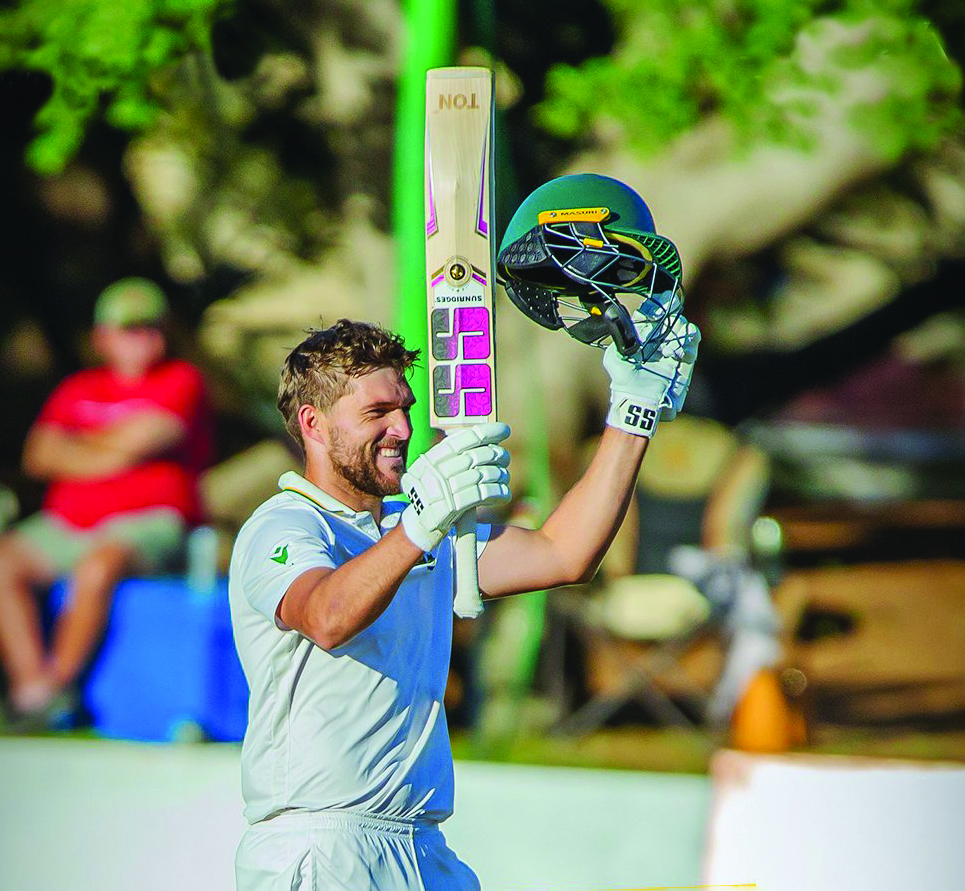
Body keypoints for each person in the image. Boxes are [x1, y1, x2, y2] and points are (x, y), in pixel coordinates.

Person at [229, 297, 698, 888]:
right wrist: (419, 528)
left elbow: (563, 553)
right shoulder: (285, 525)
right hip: (320, 843)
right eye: (377, 412)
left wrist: (632, 415)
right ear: (312, 424)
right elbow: (327, 616)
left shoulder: (410, 523)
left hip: (421, 844)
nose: (401, 428)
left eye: (405, 408)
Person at [0, 278, 213, 727]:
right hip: (67, 522)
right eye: (130, 328)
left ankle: (58, 686)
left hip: (146, 523)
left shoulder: (181, 380)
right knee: (4, 562)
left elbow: (146, 439)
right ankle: (31, 686)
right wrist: (110, 450)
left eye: (151, 327)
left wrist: (75, 450)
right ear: (103, 337)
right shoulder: (78, 388)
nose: (143, 338)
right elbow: (38, 455)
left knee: (97, 567)